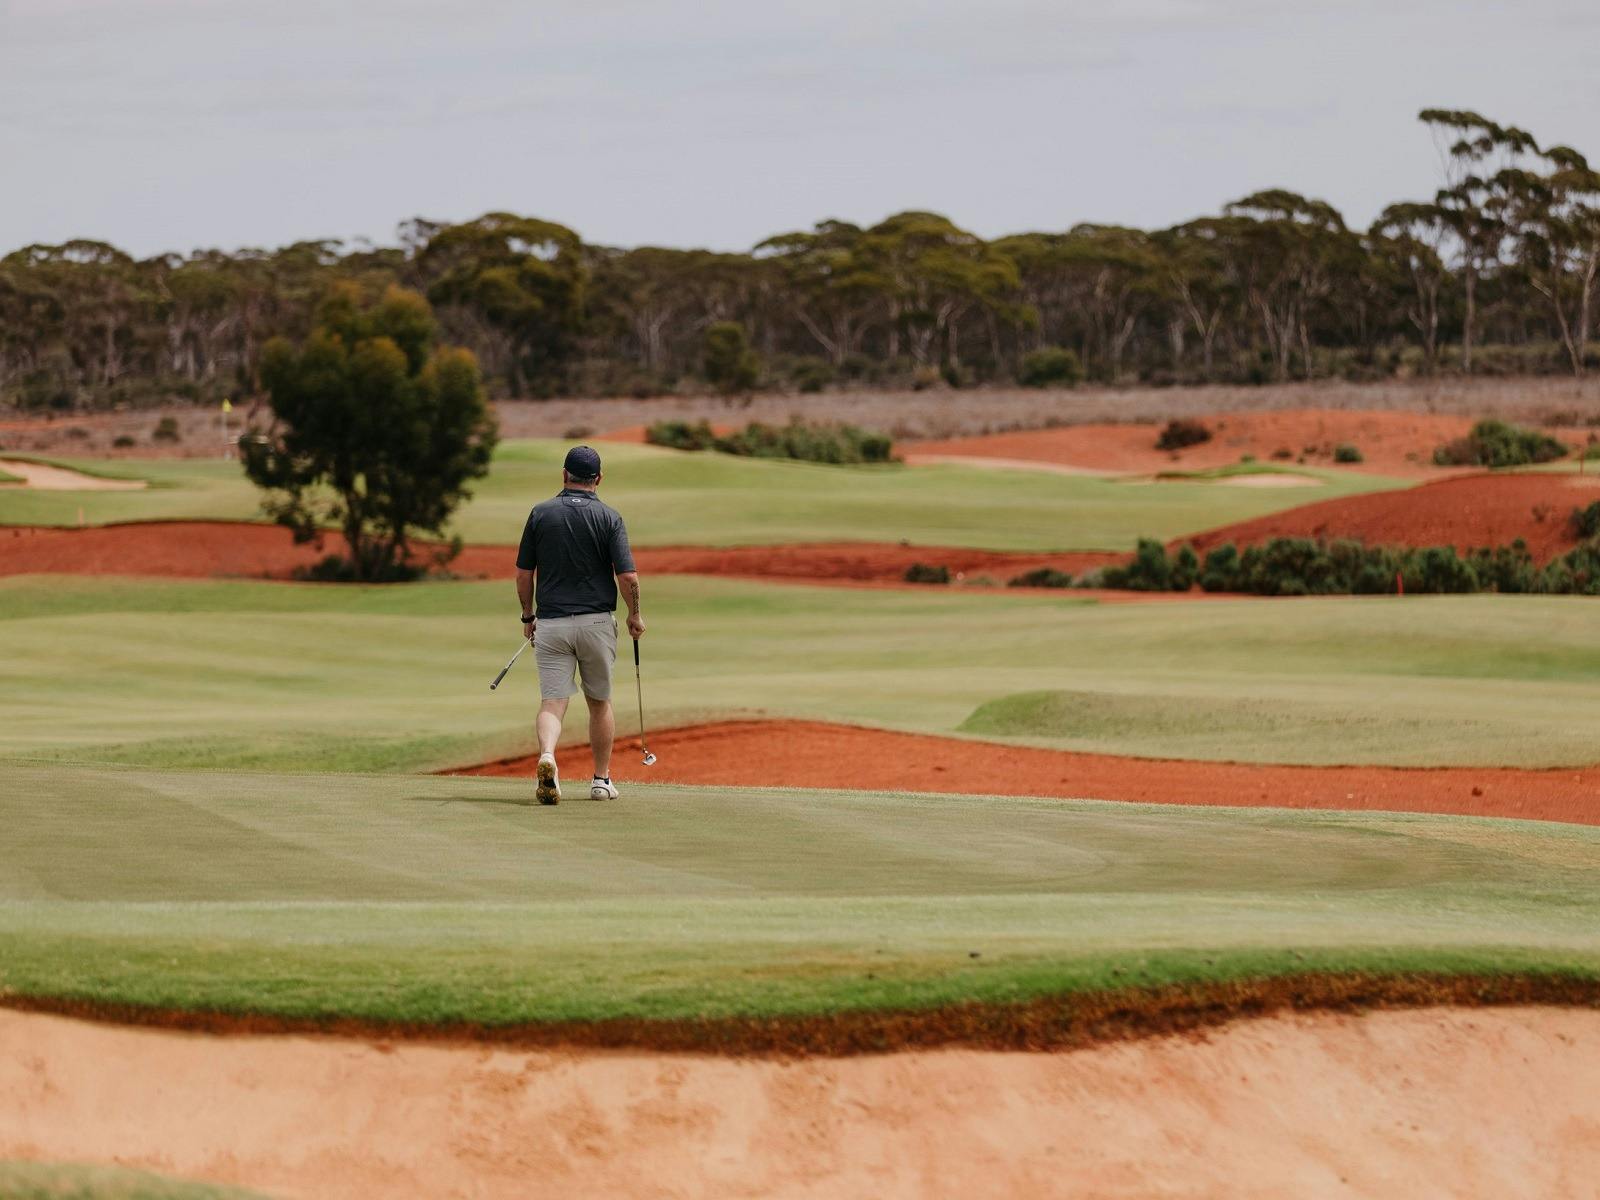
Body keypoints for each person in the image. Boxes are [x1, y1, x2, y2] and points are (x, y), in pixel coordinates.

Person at [514, 445, 645, 804]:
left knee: (552, 703)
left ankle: (547, 757)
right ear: (598, 479)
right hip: (596, 623)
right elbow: (628, 576)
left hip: (552, 624)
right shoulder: (610, 517)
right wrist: (634, 614)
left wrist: (528, 616)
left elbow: (524, 574)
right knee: (599, 702)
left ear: (564, 475)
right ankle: (601, 781)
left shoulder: (540, 514)